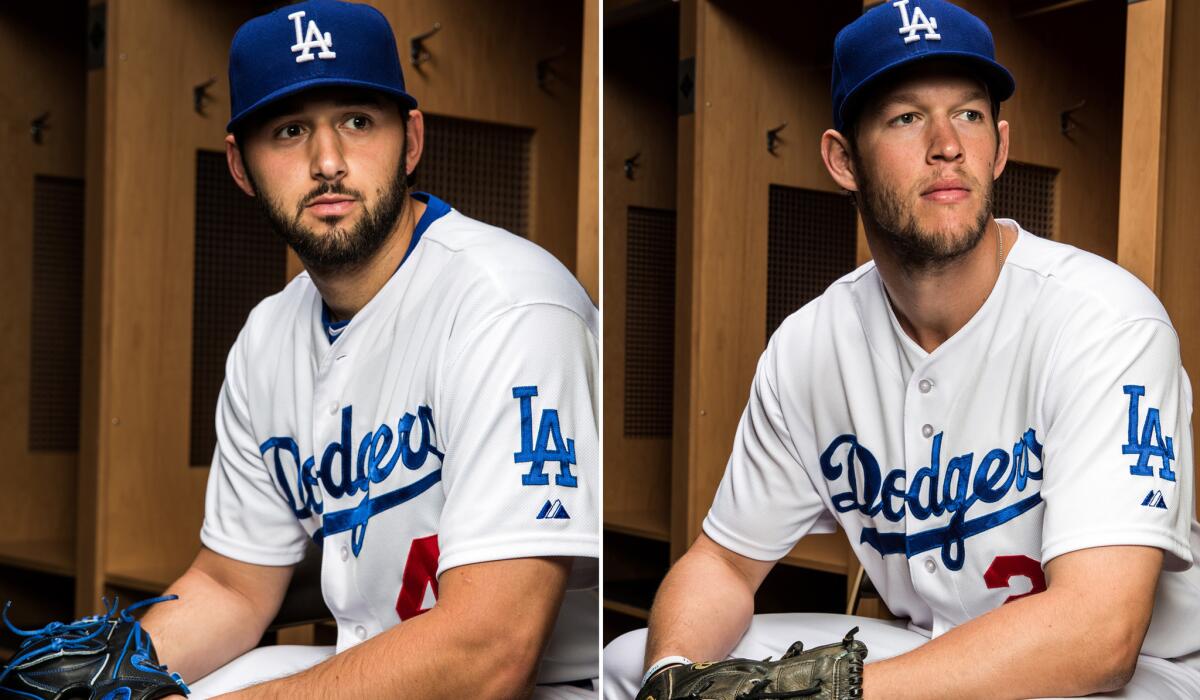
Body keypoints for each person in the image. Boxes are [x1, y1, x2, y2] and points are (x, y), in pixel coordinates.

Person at [604, 1, 1200, 698]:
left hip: (1128, 679)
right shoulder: (810, 346)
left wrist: (837, 692)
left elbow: (1101, 634)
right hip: (936, 650)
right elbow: (723, 565)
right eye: (906, 117)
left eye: (969, 115)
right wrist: (672, 679)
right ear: (842, 159)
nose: (947, 144)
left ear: (1000, 148)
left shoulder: (1103, 320)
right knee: (629, 659)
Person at [138, 1, 598, 698]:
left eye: (357, 121)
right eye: (289, 131)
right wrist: (111, 677)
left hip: (541, 685)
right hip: (380, 668)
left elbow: (492, 650)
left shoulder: (510, 305)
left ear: (410, 140)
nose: (328, 162)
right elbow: (231, 585)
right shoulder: (266, 338)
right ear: (240, 165)